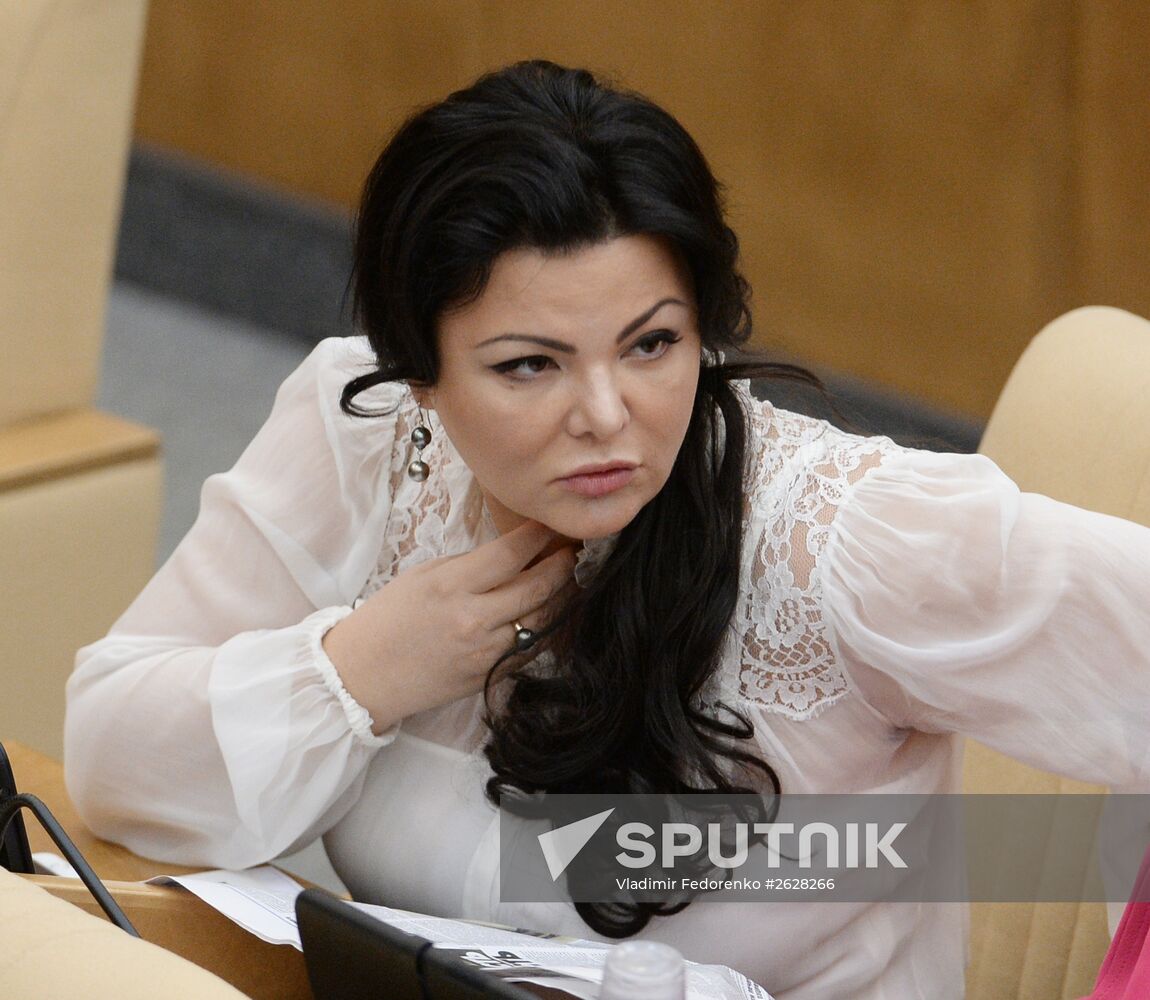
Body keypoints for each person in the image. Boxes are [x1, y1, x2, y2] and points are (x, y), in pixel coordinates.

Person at [64, 61, 1150, 999]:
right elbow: (112, 752)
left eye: (650, 345)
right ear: (421, 374)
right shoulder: (368, 433)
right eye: (528, 365)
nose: (604, 416)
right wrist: (367, 665)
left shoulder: (845, 538)